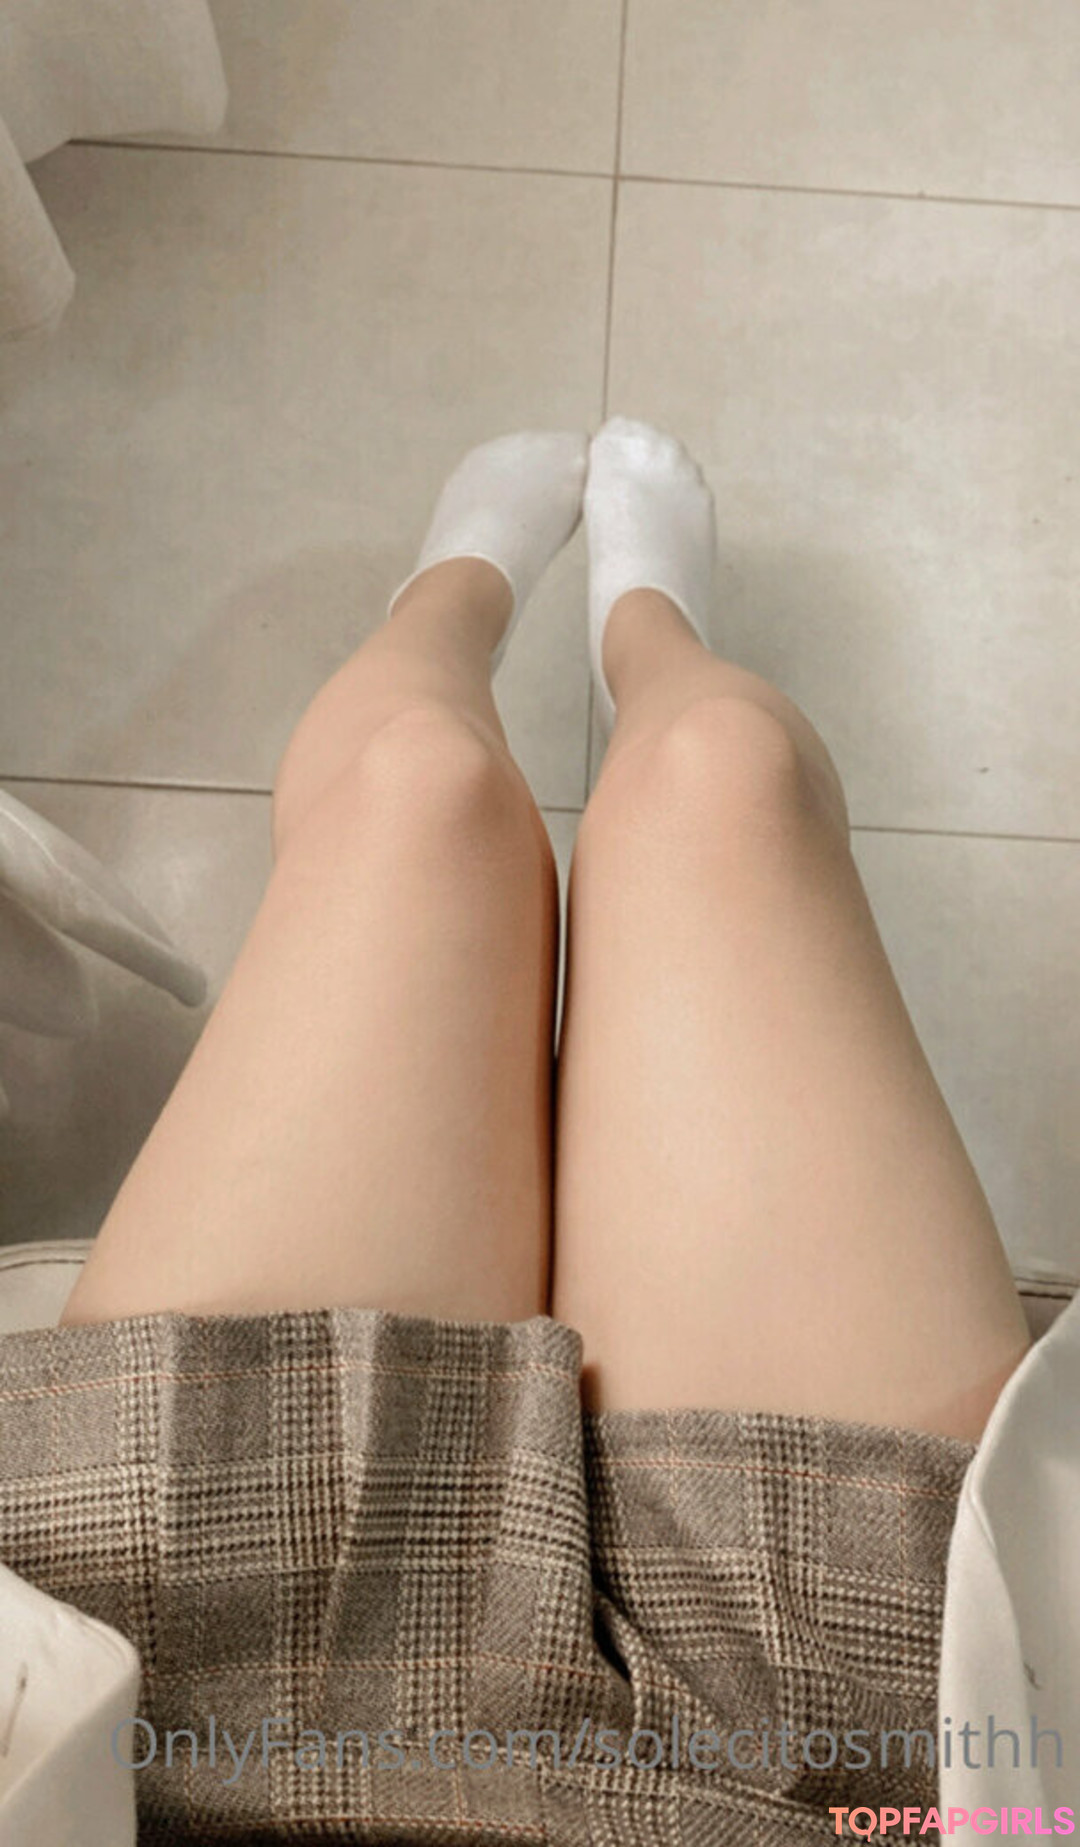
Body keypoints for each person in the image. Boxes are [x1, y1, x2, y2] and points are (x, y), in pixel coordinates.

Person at [0, 421, 1033, 1844]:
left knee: (422, 787)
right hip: (873, 1792)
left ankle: (476, 595)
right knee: (724, 780)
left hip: (173, 1732)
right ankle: (647, 627)